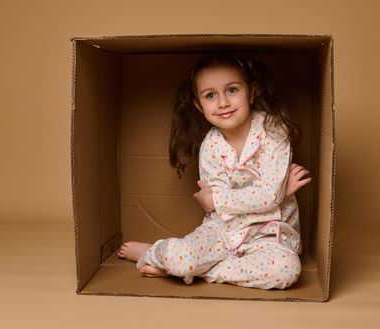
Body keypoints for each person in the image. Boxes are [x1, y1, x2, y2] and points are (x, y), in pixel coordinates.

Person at [117, 52, 312, 289]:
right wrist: (273, 195)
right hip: (223, 232)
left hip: (270, 235)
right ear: (199, 106)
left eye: (232, 90)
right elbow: (259, 199)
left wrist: (220, 199)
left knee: (286, 270)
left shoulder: (273, 130)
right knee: (182, 259)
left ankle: (198, 272)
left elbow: (264, 195)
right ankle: (155, 253)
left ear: (251, 92)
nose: (223, 103)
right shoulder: (210, 146)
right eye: (211, 95)